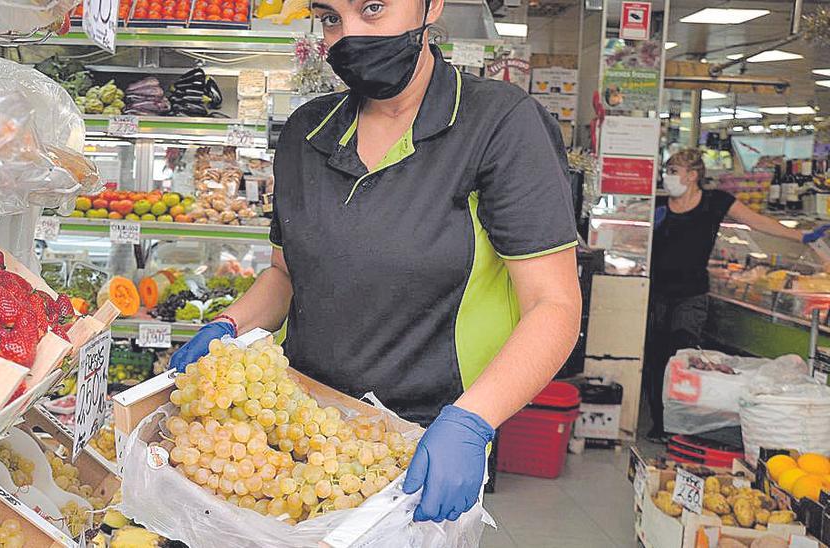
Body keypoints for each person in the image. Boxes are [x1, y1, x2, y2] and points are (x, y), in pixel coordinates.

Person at [169, 0, 583, 523]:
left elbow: (554, 305)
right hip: (295, 433)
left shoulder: (497, 124)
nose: (350, 36)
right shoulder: (305, 132)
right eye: (330, 17)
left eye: (373, 9)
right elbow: (285, 274)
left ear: (430, 9)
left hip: (424, 441)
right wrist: (230, 324)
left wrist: (472, 422)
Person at [643, 148, 825, 443]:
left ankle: (680, 422)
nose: (668, 176)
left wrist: (802, 236)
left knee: (682, 355)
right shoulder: (660, 205)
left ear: (693, 175)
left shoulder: (716, 202)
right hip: (656, 293)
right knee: (655, 356)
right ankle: (658, 423)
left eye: (674, 170)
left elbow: (757, 222)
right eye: (667, 170)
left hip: (692, 294)